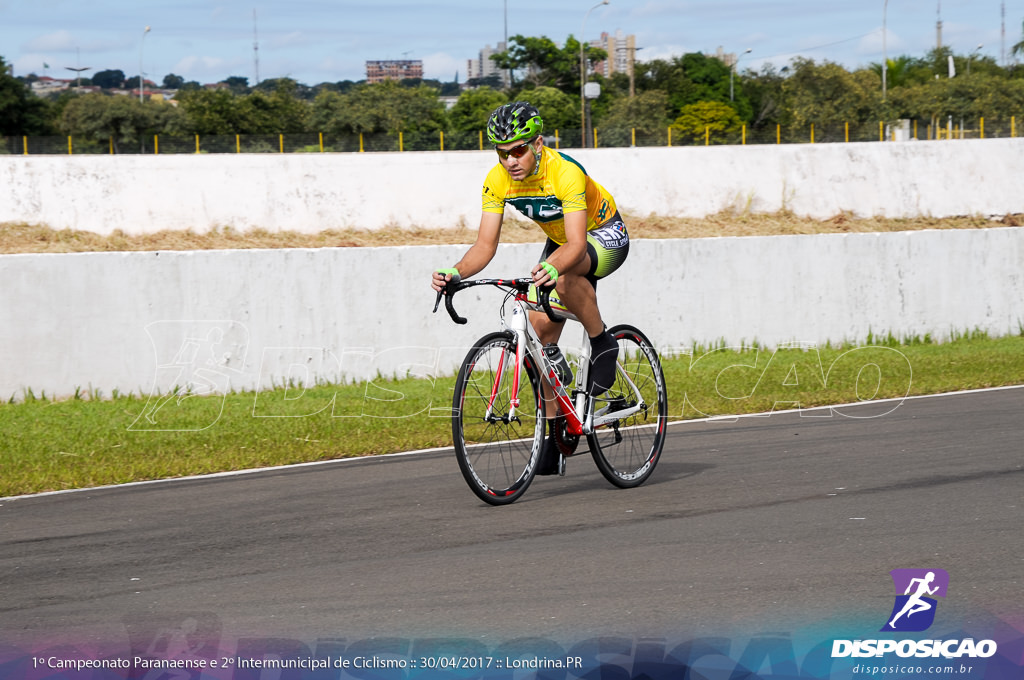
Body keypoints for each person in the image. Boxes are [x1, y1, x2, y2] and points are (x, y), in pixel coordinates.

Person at [431, 101, 630, 474]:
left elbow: (574, 247)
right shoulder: (496, 180)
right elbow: (485, 246)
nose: (511, 160)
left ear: (538, 143)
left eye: (519, 149)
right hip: (563, 243)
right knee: (539, 344)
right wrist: (455, 273)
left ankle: (602, 340)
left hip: (601, 236)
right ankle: (556, 437)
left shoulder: (565, 172)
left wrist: (551, 268)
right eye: (502, 152)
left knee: (567, 276)